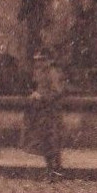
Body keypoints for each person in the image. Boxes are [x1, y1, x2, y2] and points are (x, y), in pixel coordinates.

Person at [24, 49, 65, 177]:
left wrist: (40, 95)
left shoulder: (53, 73)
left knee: (52, 140)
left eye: (41, 60)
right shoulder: (41, 72)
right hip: (42, 111)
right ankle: (51, 169)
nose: (38, 63)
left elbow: (57, 91)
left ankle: (55, 169)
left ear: (47, 60)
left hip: (51, 111)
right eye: (36, 60)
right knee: (44, 141)